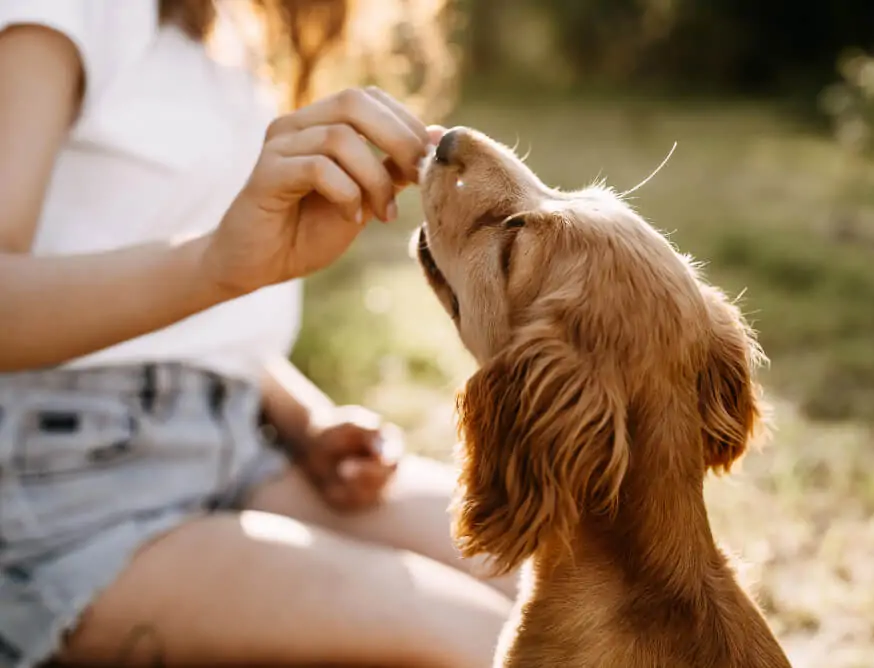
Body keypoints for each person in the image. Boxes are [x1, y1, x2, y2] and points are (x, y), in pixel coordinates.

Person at [0, 1, 517, 666]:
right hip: (62, 493)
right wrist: (215, 264)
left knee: (571, 580)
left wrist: (307, 420)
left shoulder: (226, 29)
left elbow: (184, 327)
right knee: (484, 645)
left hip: (238, 445)